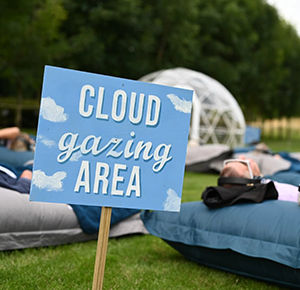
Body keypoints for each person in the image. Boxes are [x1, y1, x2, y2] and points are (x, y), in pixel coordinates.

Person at [220, 155, 300, 204]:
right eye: (243, 162)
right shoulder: (280, 193)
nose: (242, 157)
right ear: (252, 181)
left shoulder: (267, 186)